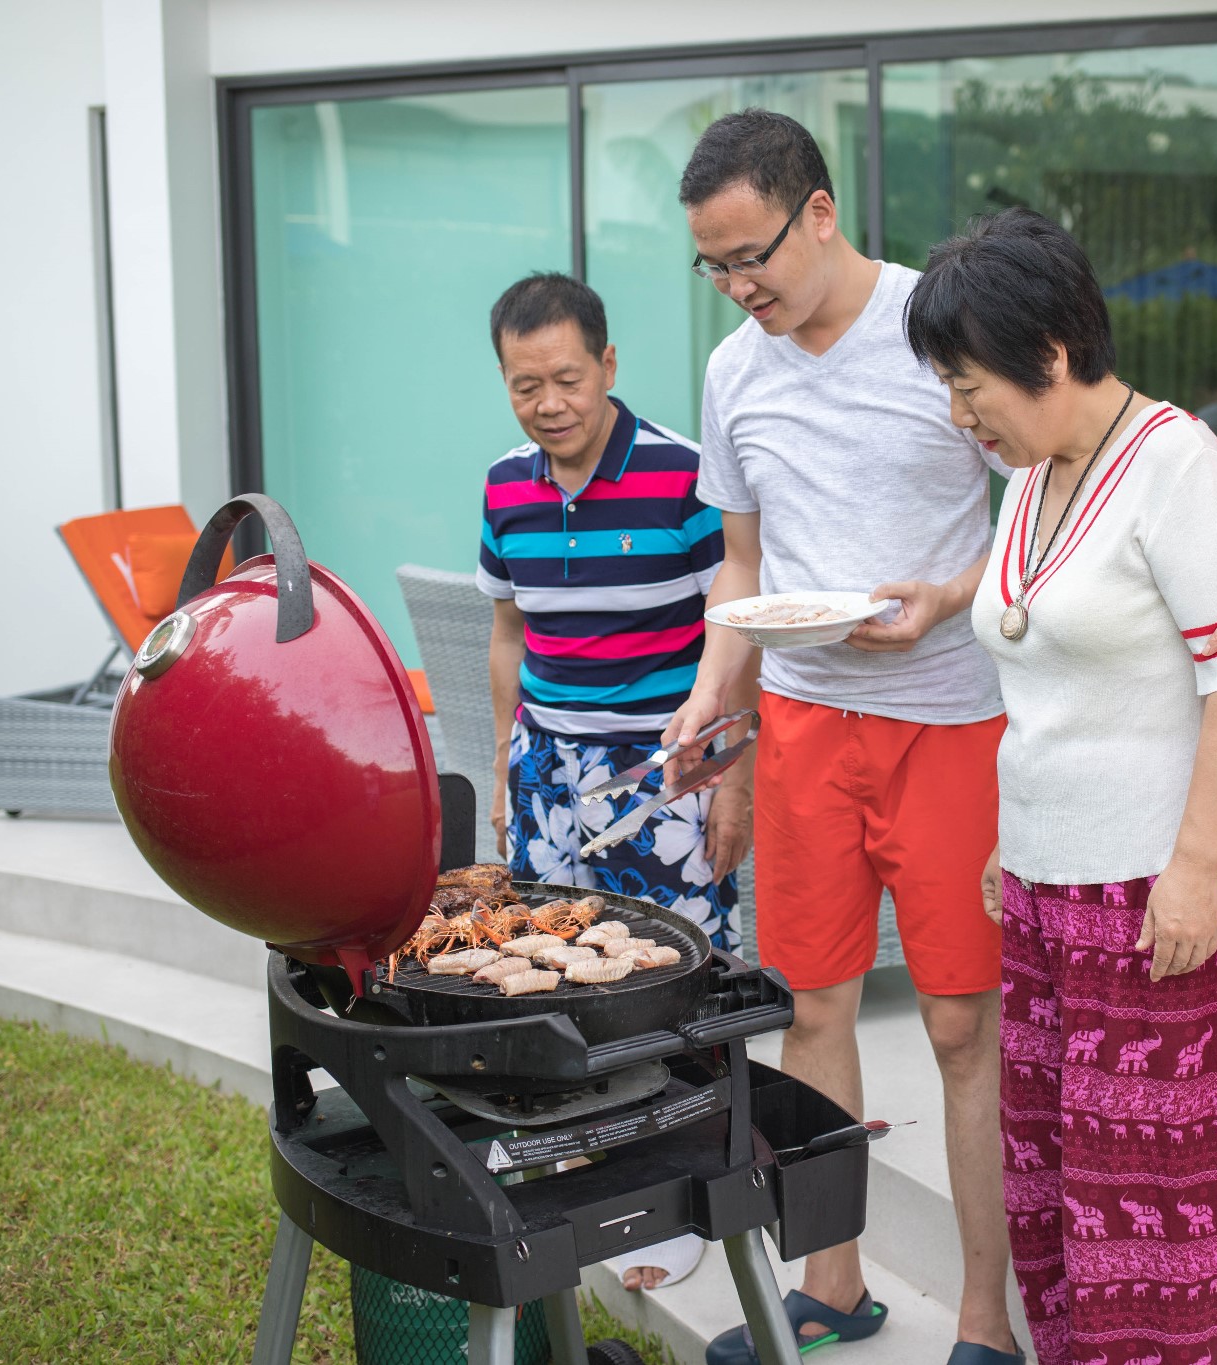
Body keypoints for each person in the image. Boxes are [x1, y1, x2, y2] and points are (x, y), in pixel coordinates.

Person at [660, 110, 1022, 1365]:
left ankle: (987, 1316)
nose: (738, 286)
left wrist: (947, 598)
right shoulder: (733, 370)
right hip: (805, 724)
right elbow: (743, 564)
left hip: (949, 723)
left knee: (961, 1024)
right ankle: (829, 1282)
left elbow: (1042, 505)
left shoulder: (942, 329)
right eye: (712, 266)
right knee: (810, 1007)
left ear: (819, 211)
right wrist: (718, 694)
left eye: (750, 255)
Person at [906, 207, 1217, 1365]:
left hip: (1154, 886)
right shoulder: (1031, 475)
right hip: (1043, 878)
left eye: (972, 388)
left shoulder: (1177, 467)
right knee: (1049, 1173)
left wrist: (1191, 871)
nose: (960, 416)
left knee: (1145, 1204)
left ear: (1052, 356)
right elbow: (1043, 679)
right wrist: (1011, 838)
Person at [479, 271, 752, 1292]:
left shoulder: (685, 477)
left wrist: (733, 779)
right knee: (552, 979)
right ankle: (571, 1173)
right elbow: (509, 630)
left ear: (606, 365)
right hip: (547, 767)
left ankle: (673, 1202)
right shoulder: (504, 483)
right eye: (521, 385)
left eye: (563, 378)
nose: (547, 403)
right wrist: (505, 763)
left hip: (663, 769)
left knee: (672, 991)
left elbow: (734, 636)